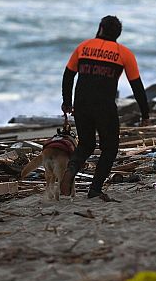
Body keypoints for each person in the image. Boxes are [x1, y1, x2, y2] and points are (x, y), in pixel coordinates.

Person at [59, 15, 150, 200]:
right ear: (118, 34)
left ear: (100, 29)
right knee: (109, 149)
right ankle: (95, 190)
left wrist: (67, 102)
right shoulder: (124, 53)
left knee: (86, 144)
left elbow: (68, 76)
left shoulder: (83, 47)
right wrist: (145, 113)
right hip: (104, 107)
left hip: (81, 104)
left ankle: (71, 169)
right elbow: (137, 86)